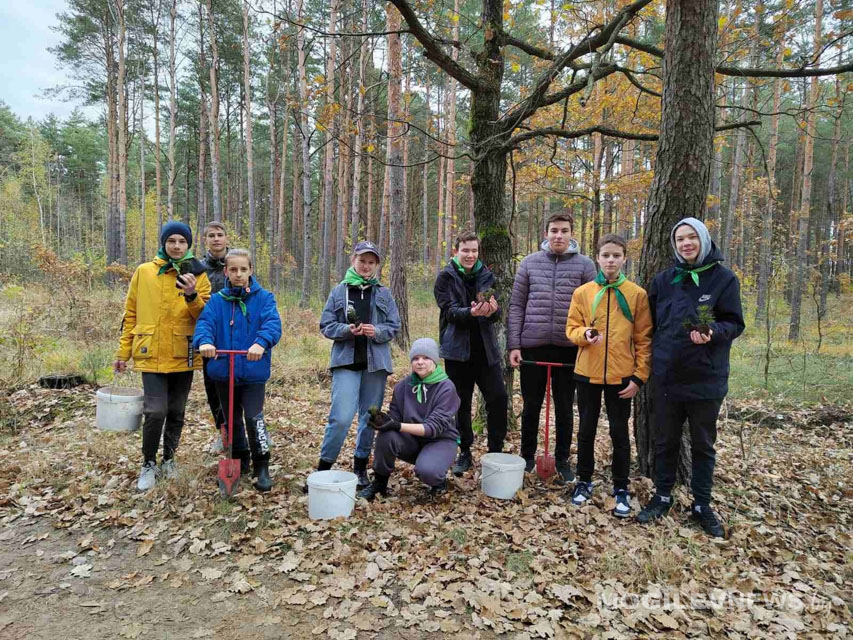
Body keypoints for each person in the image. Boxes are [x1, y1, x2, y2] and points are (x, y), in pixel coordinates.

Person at [636, 217, 745, 537]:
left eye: (692, 237)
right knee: (665, 440)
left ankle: (702, 505)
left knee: (703, 445)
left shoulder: (724, 279)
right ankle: (662, 496)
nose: (686, 244)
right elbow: (649, 325)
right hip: (667, 377)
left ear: (704, 240)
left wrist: (713, 331)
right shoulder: (663, 280)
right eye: (680, 239)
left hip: (706, 377)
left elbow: (735, 323)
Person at [114, 221, 212, 492]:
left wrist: (191, 295)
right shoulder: (144, 272)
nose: (177, 246)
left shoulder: (198, 275)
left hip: (183, 352)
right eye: (172, 241)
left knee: (177, 411)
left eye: (182, 242)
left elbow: (204, 317)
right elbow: (131, 314)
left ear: (188, 245)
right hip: (151, 351)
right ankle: (148, 463)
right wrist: (123, 352)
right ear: (163, 243)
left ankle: (169, 459)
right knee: (155, 411)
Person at [565, 234, 652, 517]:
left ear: (624, 258)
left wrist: (638, 377)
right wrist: (585, 334)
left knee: (619, 432)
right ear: (597, 258)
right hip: (586, 373)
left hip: (621, 376)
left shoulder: (636, 294)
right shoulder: (583, 293)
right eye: (606, 255)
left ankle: (621, 486)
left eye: (616, 255)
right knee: (586, 430)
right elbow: (571, 328)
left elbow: (643, 339)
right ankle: (583, 481)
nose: (611, 260)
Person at [507, 212, 597, 481]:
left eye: (564, 231)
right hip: (533, 346)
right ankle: (526, 457)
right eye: (554, 230)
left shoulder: (585, 266)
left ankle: (562, 459)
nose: (559, 235)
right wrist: (514, 344)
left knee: (565, 406)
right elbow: (517, 305)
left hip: (569, 347)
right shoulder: (529, 263)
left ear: (571, 234)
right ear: (545, 233)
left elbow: (593, 308)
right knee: (531, 405)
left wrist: (586, 340)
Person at [313, 241, 401, 490]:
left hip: (375, 365)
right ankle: (323, 469)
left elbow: (394, 326)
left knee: (369, 417)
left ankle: (360, 467)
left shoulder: (384, 293)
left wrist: (377, 331)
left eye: (371, 262)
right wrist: (346, 330)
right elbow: (326, 325)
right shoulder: (339, 292)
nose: (366, 266)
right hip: (346, 362)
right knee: (341, 418)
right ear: (353, 260)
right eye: (362, 260)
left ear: (377, 265)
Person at [193, 248, 282, 492]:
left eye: (243, 269)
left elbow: (272, 324)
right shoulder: (217, 301)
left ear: (251, 270)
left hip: (253, 371)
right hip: (224, 370)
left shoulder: (264, 298)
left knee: (254, 417)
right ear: (226, 272)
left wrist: (261, 343)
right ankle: (239, 458)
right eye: (233, 269)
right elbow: (204, 324)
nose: (239, 274)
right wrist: (205, 342)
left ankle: (261, 463)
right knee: (231, 419)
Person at [433, 231, 507, 476]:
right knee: (460, 404)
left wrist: (492, 311)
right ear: (456, 251)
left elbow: (496, 314)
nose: (470, 255)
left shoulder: (487, 275)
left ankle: (495, 450)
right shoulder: (445, 277)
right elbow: (449, 312)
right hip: (457, 352)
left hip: (486, 351)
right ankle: (464, 451)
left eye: (474, 250)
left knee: (498, 398)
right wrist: (471, 313)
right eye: (465, 250)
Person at [357, 338, 461, 501]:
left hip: (439, 441)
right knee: (386, 435)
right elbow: (395, 418)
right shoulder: (402, 386)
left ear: (435, 360)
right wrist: (383, 421)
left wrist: (397, 425)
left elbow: (432, 428)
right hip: (411, 440)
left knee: (428, 471)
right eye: (416, 358)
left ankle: (437, 480)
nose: (420, 362)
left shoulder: (446, 387)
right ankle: (379, 483)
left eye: (426, 358)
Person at [199, 222, 230, 454]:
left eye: (220, 235)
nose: (216, 239)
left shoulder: (237, 263)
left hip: (237, 335)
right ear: (205, 240)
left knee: (243, 385)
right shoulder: (198, 268)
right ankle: (223, 432)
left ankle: (249, 428)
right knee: (213, 387)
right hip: (209, 336)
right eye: (212, 235)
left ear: (226, 239)